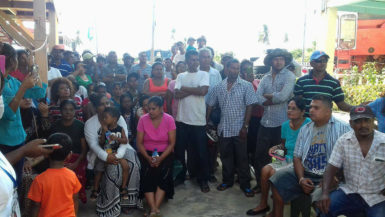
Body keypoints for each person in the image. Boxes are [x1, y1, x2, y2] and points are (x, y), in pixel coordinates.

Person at [269, 95, 351, 217]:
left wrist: (335, 177)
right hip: (307, 173)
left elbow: (350, 158)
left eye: (316, 108)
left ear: (328, 111)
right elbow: (297, 157)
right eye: (311, 107)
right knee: (277, 179)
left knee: (322, 203)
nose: (311, 110)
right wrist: (301, 178)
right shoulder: (306, 129)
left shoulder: (344, 129)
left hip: (329, 176)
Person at [246, 97, 311, 215]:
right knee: (265, 170)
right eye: (289, 108)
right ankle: (263, 204)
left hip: (299, 161)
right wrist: (277, 148)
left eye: (294, 109)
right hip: (287, 158)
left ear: (302, 112)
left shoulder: (308, 125)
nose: (289, 111)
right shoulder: (285, 125)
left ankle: (276, 211)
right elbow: (283, 145)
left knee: (273, 173)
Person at [319, 105, 385, 217]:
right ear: (351, 123)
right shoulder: (343, 141)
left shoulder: (383, 141)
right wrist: (325, 193)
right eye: (358, 121)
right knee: (324, 208)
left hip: (376, 196)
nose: (363, 125)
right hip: (349, 192)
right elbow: (331, 168)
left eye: (367, 120)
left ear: (373, 121)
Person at [207, 59, 258, 197]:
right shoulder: (219, 86)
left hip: (240, 128)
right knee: (225, 157)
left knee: (242, 158)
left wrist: (245, 126)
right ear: (226, 69)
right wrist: (206, 121)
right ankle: (227, 181)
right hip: (224, 128)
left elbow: (250, 106)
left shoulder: (246, 86)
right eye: (232, 68)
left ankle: (245, 184)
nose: (234, 70)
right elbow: (210, 104)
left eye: (237, 68)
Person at [84, 93, 141, 215]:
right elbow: (94, 146)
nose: (106, 106)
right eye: (102, 104)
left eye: (108, 103)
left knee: (134, 164)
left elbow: (124, 140)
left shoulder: (117, 117)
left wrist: (118, 155)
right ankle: (109, 205)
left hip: (121, 148)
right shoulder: (90, 124)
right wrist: (107, 157)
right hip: (102, 151)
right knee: (113, 168)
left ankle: (128, 202)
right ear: (95, 108)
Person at [0, 43, 46, 185]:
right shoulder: (3, 85)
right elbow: (8, 115)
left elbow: (39, 92)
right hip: (5, 141)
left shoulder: (11, 81)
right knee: (8, 182)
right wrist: (23, 88)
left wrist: (35, 71)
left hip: (18, 139)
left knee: (16, 181)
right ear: (13, 61)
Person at [254, 48, 296, 192]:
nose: (278, 62)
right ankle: (261, 185)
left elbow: (283, 97)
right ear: (271, 61)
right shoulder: (265, 78)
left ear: (285, 61)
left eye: (281, 59)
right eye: (276, 59)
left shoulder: (289, 76)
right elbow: (257, 98)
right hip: (265, 123)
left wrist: (268, 96)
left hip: (281, 125)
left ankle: (277, 188)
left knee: (279, 157)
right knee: (260, 156)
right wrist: (272, 97)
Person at [174, 50, 210, 192]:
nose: (195, 62)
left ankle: (203, 179)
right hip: (182, 119)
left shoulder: (204, 74)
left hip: (198, 120)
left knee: (201, 152)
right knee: (180, 151)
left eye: (197, 60)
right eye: (192, 60)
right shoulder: (181, 75)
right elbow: (176, 94)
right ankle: (180, 176)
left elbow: (203, 92)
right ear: (187, 60)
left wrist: (185, 89)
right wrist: (195, 89)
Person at [136, 96, 176, 217]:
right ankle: (154, 209)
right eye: (149, 109)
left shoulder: (169, 119)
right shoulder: (143, 119)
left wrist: (160, 158)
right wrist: (149, 158)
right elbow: (139, 143)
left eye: (153, 109)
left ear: (161, 108)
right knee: (146, 174)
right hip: (146, 152)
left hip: (165, 153)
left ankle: (154, 209)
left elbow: (172, 143)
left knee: (164, 174)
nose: (150, 111)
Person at [27, 133, 82, 217]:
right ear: (69, 155)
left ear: (46, 154)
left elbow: (35, 206)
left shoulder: (39, 180)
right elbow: (75, 199)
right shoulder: (72, 176)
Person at [0, 138, 51, 217]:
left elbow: (36, 205)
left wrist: (24, 151)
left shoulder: (41, 179)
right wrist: (24, 151)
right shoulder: (71, 176)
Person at [50, 100, 88, 203]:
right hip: (59, 158)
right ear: (60, 111)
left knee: (75, 176)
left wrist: (76, 163)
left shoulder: (80, 125)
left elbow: (84, 149)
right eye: (65, 109)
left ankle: (73, 200)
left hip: (77, 158)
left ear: (75, 111)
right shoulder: (55, 125)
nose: (68, 112)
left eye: (71, 110)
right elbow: (52, 148)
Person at [294, 51, 352, 116]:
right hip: (305, 122)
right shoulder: (301, 82)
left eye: (325, 60)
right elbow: (297, 104)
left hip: (325, 123)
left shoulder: (334, 83)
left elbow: (341, 104)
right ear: (312, 63)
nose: (323, 63)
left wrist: (357, 108)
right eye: (319, 61)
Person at [94, 107, 131, 200]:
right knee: (99, 168)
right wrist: (104, 132)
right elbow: (101, 143)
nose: (104, 119)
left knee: (126, 166)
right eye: (103, 117)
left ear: (114, 119)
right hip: (106, 153)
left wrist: (117, 138)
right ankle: (95, 189)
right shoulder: (103, 129)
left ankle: (123, 187)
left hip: (117, 152)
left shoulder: (120, 128)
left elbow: (125, 141)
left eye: (106, 117)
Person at [199, 47, 221, 182]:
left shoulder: (216, 73)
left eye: (208, 57)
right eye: (203, 56)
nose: (206, 59)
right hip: (197, 113)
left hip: (212, 114)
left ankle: (211, 170)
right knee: (198, 144)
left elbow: (219, 93)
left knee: (212, 144)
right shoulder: (195, 73)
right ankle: (198, 171)